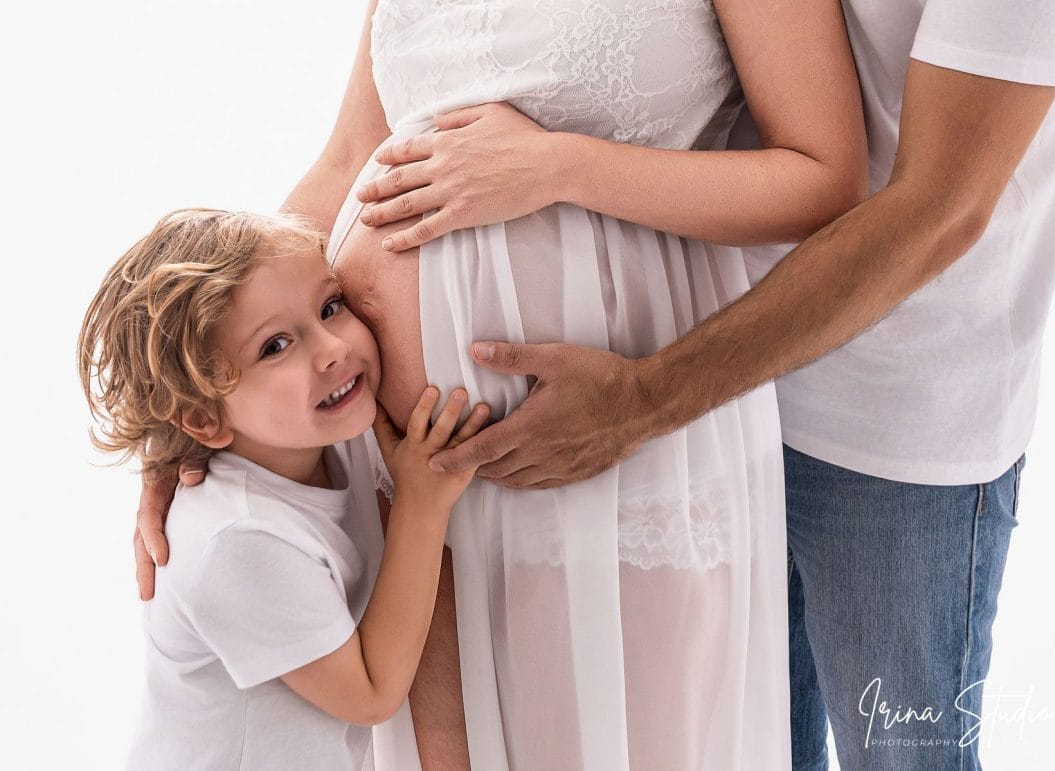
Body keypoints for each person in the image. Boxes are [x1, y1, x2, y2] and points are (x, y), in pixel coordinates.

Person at [131, 1, 869, 767]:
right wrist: (196, 401)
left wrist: (559, 166)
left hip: (609, 436)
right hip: (403, 473)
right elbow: (352, 153)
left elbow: (824, 180)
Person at [376, 1, 1055, 768]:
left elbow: (939, 210)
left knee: (904, 755)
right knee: (748, 745)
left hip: (889, 422)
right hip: (710, 377)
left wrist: (642, 399)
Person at [78, 208, 488, 770]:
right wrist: (421, 505)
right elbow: (370, 693)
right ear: (202, 420)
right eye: (275, 346)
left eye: (329, 307)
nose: (332, 349)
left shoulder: (315, 437)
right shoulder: (238, 538)